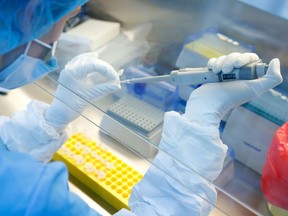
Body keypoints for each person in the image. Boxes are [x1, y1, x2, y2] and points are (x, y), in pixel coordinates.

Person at [0, 1, 283, 215]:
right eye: (66, 20)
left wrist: (51, 119)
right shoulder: (30, 196)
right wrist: (201, 120)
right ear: (29, 15)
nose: (57, 39)